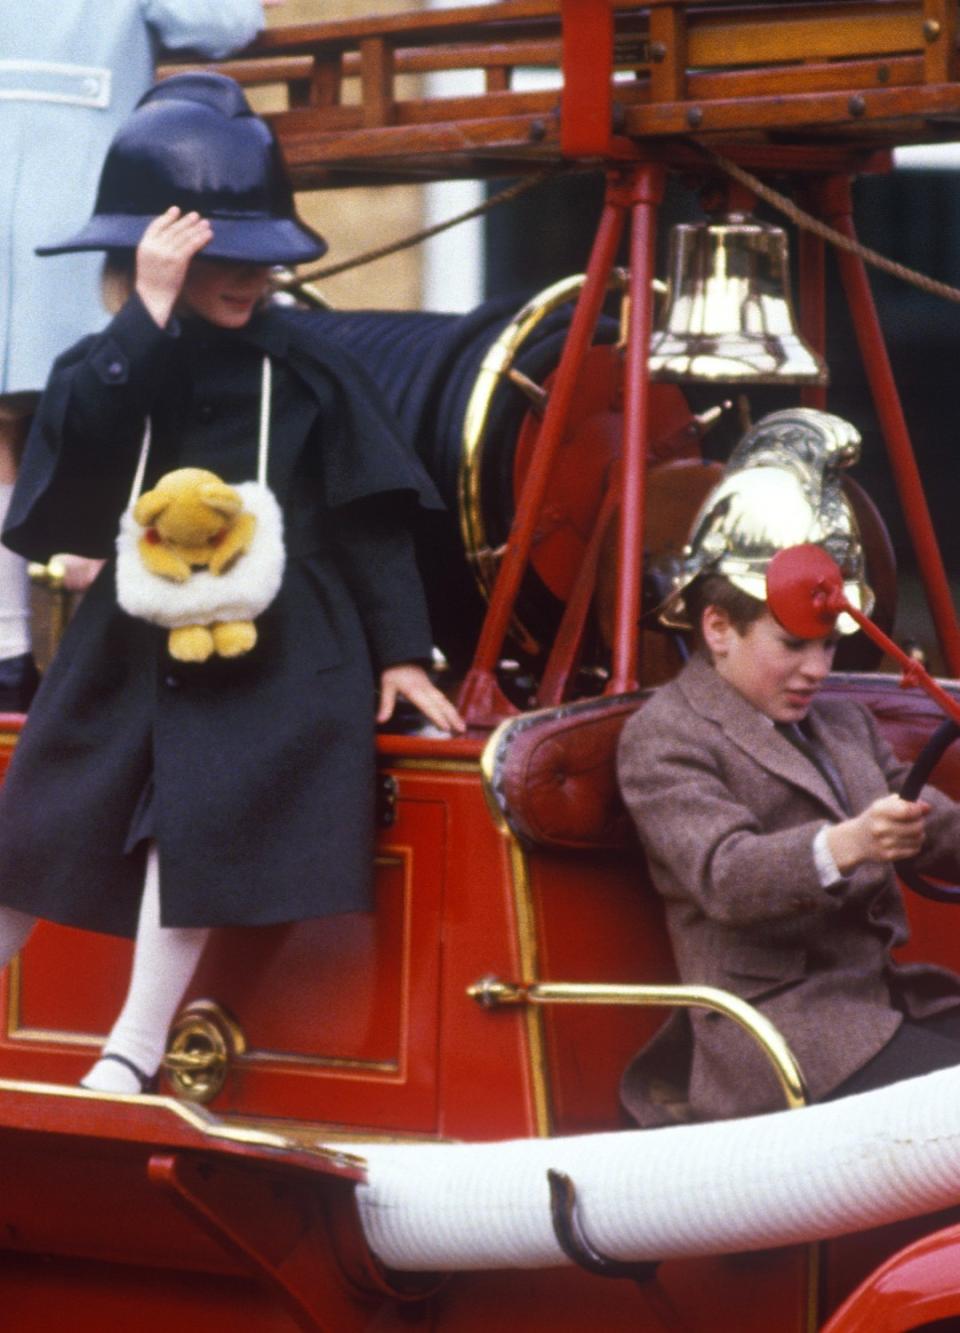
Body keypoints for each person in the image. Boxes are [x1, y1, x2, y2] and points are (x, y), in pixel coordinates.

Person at [0, 71, 465, 1096]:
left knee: (200, 822)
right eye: (224, 259)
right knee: (33, 824)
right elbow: (65, 500)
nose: (250, 280)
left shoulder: (307, 367)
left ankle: (133, 1045)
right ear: (153, 254)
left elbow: (369, 515)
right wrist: (147, 323)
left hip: (284, 649)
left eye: (263, 259)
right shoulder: (103, 365)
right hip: (131, 637)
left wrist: (400, 650)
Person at [617, 407, 960, 1127]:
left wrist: (910, 829)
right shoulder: (665, 737)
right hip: (781, 1043)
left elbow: (931, 822)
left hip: (884, 1006)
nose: (817, 669)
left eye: (830, 646)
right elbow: (728, 876)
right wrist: (851, 842)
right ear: (717, 628)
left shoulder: (840, 721)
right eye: (792, 644)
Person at [0, 0, 272, 709]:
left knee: (22, 418)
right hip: (83, 185)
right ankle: (107, 627)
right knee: (102, 396)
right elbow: (224, 24)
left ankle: (6, 648)